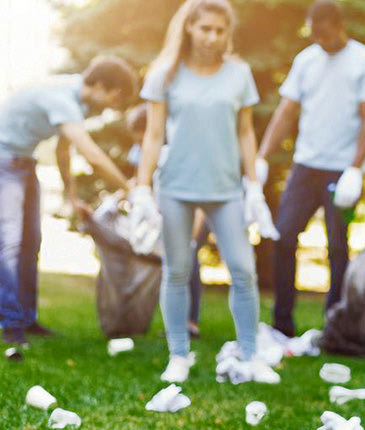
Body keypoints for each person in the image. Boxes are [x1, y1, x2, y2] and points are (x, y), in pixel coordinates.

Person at [134, 0, 279, 383]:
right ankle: (178, 355)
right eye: (205, 29)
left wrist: (253, 186)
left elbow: (246, 132)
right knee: (177, 271)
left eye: (219, 30)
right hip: (176, 188)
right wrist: (142, 188)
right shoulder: (164, 74)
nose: (212, 37)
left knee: (244, 271)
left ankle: (250, 356)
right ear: (188, 29)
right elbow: (152, 135)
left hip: (226, 190)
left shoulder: (238, 74)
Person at [256, 0, 365, 337]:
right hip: (305, 166)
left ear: (337, 25)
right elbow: (286, 112)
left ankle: (335, 325)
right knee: (283, 236)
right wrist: (261, 156)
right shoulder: (306, 60)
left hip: (341, 170)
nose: (318, 39)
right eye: (313, 33)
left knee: (337, 246)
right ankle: (282, 324)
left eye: (323, 32)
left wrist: (355, 169)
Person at [0, 55, 137, 348]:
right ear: (100, 85)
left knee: (30, 243)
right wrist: (132, 190)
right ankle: (10, 323)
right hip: (4, 160)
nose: (114, 104)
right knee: (9, 244)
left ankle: (26, 317)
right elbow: (93, 156)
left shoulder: (80, 103)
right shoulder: (63, 98)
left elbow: (64, 150)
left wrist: (71, 195)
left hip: (24, 161)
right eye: (115, 95)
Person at [125, 104, 204, 339]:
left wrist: (194, 231)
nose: (139, 144)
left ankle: (191, 321)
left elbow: (197, 193)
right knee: (172, 265)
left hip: (192, 212)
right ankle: (174, 321)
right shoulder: (140, 151)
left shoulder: (179, 150)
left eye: (141, 138)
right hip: (161, 213)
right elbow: (140, 177)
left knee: (190, 262)